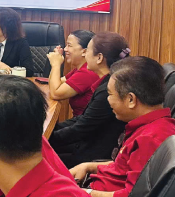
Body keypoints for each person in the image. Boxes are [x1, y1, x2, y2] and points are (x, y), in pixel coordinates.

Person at [71, 56, 175, 197]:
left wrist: (83, 193)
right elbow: (124, 167)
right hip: (95, 190)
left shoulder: (150, 139)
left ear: (131, 99)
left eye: (110, 94)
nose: (108, 100)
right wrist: (88, 166)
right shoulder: (152, 126)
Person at [49, 31, 130, 168]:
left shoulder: (108, 90)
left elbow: (81, 129)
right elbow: (82, 119)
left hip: (92, 155)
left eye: (88, 51)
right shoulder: (105, 82)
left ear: (99, 58)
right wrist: (50, 130)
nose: (85, 55)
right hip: (87, 143)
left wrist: (44, 139)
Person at [47, 29, 101, 116]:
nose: (65, 49)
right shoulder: (81, 68)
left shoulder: (87, 72)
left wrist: (56, 65)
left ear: (84, 51)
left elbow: (55, 94)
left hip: (85, 122)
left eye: (69, 45)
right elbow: (58, 83)